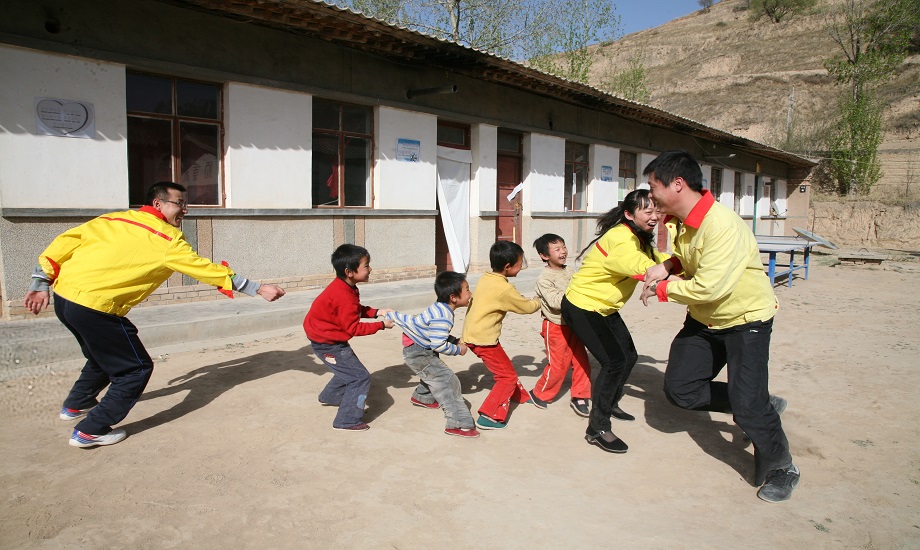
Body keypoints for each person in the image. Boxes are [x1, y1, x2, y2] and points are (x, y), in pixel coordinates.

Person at [24, 181, 286, 448]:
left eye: (186, 204)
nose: (184, 210)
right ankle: (91, 430)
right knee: (135, 369)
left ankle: (76, 405)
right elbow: (204, 269)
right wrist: (257, 288)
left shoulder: (114, 218)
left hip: (66, 299)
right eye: (178, 203)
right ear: (157, 204)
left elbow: (64, 243)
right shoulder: (167, 239)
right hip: (96, 308)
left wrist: (40, 282)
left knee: (101, 355)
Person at [639, 150, 799, 503]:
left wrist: (664, 288)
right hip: (705, 319)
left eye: (653, 186)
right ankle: (760, 403)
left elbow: (711, 286)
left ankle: (780, 466)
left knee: (749, 405)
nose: (650, 195)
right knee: (681, 389)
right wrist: (669, 266)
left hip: (746, 321)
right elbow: (692, 256)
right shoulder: (681, 221)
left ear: (677, 184)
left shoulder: (720, 224)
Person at [562, 189, 672, 454]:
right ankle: (597, 428)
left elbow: (658, 261)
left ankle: (608, 402)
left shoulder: (640, 236)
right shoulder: (621, 238)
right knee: (614, 362)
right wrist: (694, 283)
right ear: (628, 214)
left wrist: (684, 263)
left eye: (656, 210)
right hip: (583, 305)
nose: (654, 216)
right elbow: (645, 269)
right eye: (647, 211)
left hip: (605, 307)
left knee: (629, 356)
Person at [303, 244, 394, 432]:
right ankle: (347, 419)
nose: (370, 269)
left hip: (329, 337)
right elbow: (353, 328)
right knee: (359, 377)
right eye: (366, 265)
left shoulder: (347, 287)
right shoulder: (342, 295)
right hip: (327, 342)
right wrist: (381, 325)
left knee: (348, 369)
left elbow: (355, 309)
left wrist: (377, 312)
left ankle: (330, 396)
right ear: (349, 271)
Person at [386, 271, 479, 438]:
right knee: (448, 382)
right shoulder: (443, 316)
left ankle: (423, 397)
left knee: (433, 374)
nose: (470, 293)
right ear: (453, 297)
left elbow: (432, 331)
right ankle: (459, 424)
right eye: (467, 290)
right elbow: (438, 343)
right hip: (418, 352)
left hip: (419, 346)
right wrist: (459, 350)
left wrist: (453, 340)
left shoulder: (439, 308)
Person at [462, 241, 541, 430]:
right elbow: (526, 307)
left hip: (474, 333)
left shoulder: (486, 278)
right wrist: (539, 300)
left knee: (506, 369)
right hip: (483, 340)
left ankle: (519, 396)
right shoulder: (504, 289)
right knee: (506, 377)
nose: (521, 268)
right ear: (507, 267)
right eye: (519, 264)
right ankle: (489, 415)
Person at [526, 234, 592, 418]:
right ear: (544, 255)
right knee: (558, 364)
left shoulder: (570, 271)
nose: (563, 251)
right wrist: (578, 293)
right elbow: (556, 302)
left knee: (582, 361)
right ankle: (539, 394)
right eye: (557, 249)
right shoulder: (544, 279)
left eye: (563, 247)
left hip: (576, 324)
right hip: (555, 327)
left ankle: (580, 395)